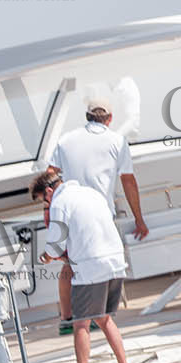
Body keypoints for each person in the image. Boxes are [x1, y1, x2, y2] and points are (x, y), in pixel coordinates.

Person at [47, 93, 147, 332]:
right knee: (102, 264)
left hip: (70, 210)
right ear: (110, 118)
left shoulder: (66, 139)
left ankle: (67, 319)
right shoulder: (117, 141)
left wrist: (50, 209)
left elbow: (49, 174)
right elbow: (128, 181)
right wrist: (139, 219)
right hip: (100, 213)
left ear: (87, 116)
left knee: (70, 264)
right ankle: (97, 316)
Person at [31, 171, 136, 363]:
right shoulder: (91, 193)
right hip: (115, 261)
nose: (47, 205)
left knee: (80, 324)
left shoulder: (60, 203)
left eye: (45, 200)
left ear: (49, 191)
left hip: (91, 267)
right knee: (104, 319)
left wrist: (45, 257)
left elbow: (55, 246)